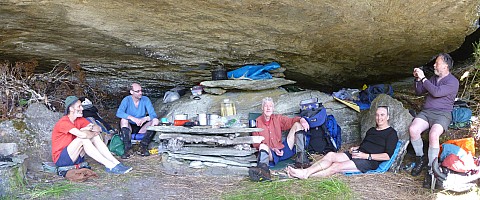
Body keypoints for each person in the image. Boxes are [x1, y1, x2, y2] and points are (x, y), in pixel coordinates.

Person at [287, 106, 398, 179]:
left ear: (388, 117)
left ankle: (306, 174)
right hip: (358, 154)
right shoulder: (372, 130)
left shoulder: (391, 134)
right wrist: (355, 148)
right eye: (377, 115)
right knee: (330, 155)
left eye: (382, 115)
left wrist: (366, 156)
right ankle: (306, 172)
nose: (379, 118)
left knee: (336, 166)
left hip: (369, 161)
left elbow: (387, 156)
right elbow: (365, 145)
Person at [409, 53, 459, 187]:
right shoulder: (432, 79)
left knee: (433, 134)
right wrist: (417, 79)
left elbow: (436, 92)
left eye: (437, 63)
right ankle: (420, 158)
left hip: (443, 115)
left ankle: (432, 167)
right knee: (413, 129)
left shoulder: (453, 82)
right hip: (427, 113)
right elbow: (419, 91)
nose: (434, 65)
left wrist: (423, 78)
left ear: (446, 66)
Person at [51, 96, 132, 174]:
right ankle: (109, 165)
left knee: (95, 136)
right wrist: (87, 131)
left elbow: (98, 129)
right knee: (82, 139)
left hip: (76, 156)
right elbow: (82, 136)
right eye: (79, 106)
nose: (82, 109)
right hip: (62, 159)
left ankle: (115, 163)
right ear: (71, 109)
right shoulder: (64, 122)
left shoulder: (79, 119)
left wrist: (89, 130)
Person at [248, 97, 311, 181]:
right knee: (262, 146)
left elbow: (291, 121)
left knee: (297, 125)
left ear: (273, 108)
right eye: (266, 106)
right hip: (271, 155)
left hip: (283, 151)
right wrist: (273, 149)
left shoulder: (278, 118)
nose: (268, 108)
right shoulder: (257, 122)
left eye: (270, 106)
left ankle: (301, 160)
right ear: (262, 108)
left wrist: (302, 119)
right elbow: (255, 144)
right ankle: (264, 172)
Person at [116, 83, 159, 159]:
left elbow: (153, 115)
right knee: (123, 120)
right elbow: (119, 113)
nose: (140, 93)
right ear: (131, 92)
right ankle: (128, 149)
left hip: (141, 126)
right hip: (130, 126)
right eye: (137, 91)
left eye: (141, 90)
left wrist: (145, 119)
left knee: (155, 121)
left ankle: (143, 147)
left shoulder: (145, 99)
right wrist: (132, 118)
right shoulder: (127, 100)